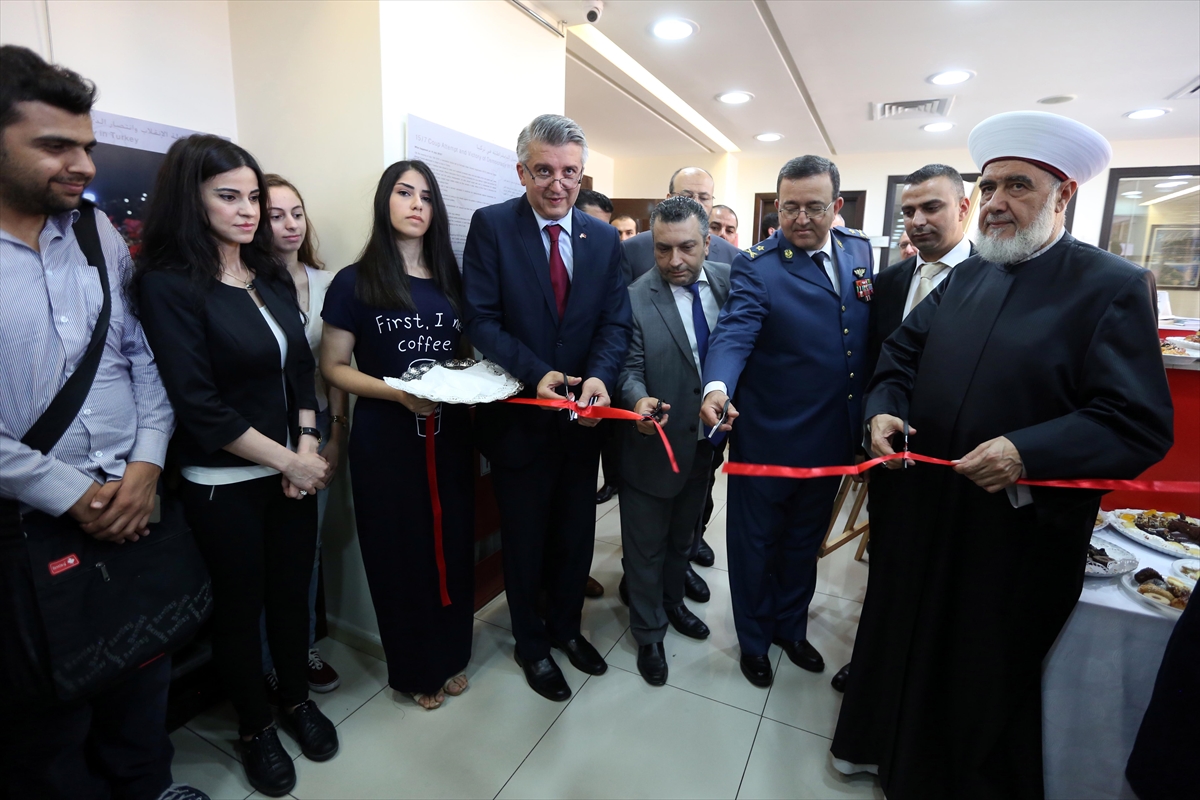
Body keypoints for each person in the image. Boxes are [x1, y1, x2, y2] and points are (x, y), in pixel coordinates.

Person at [830, 111, 1173, 799]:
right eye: (988, 187)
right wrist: (882, 408)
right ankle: (877, 751)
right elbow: (900, 353)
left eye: (1017, 186)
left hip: (1013, 533)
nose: (994, 202)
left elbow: (1136, 422)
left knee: (975, 667)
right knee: (902, 633)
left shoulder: (1111, 285)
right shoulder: (970, 274)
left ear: (1063, 194)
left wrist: (1026, 450)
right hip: (926, 509)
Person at [0, 44, 207, 800]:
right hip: (26, 528)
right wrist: (71, 493)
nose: (82, 165)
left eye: (86, 146)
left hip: (135, 499)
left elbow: (142, 356)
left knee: (141, 680)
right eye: (55, 146)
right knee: (48, 724)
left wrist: (146, 466)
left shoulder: (94, 233)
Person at [136, 135, 337, 797]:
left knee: (292, 598)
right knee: (240, 609)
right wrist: (290, 462)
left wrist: (305, 447)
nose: (249, 211)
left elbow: (301, 369)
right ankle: (255, 726)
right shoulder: (168, 284)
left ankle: (296, 699)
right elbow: (199, 406)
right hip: (224, 482)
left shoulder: (268, 273)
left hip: (290, 470)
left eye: (253, 196)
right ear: (190, 200)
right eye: (229, 196)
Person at [462, 114, 631, 701]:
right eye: (543, 171)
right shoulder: (492, 226)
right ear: (521, 172)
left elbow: (614, 323)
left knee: (575, 535)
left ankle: (566, 628)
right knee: (526, 539)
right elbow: (480, 319)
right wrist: (537, 374)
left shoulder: (602, 239)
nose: (557, 184)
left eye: (569, 172)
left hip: (583, 422)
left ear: (582, 174)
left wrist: (601, 377)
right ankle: (531, 645)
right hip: (519, 421)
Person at [700, 155, 874, 689]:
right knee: (756, 545)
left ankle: (790, 627)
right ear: (777, 206)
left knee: (803, 542)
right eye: (789, 207)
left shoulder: (859, 251)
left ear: (836, 207)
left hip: (832, 436)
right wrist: (717, 386)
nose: (799, 219)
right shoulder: (759, 264)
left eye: (813, 207)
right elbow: (735, 332)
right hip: (770, 436)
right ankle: (754, 640)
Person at [320, 160, 475, 711]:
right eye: (405, 193)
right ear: (385, 201)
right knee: (398, 552)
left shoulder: (452, 279)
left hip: (450, 434)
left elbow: (464, 356)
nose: (416, 205)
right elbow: (333, 366)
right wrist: (398, 394)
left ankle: (452, 655)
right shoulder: (354, 281)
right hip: (385, 437)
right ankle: (415, 670)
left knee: (451, 545)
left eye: (426, 197)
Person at [832, 163, 975, 694]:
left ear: (964, 208)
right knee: (889, 563)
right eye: (908, 211)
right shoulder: (888, 283)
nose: (917, 221)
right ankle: (876, 661)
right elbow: (874, 365)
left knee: (949, 577)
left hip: (961, 462)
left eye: (931, 207)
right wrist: (870, 425)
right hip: (891, 456)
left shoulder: (995, 279)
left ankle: (932, 679)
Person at [616, 196, 730, 685]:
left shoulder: (729, 283)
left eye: (686, 247)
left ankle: (672, 603)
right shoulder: (635, 297)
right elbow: (628, 368)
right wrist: (637, 400)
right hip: (653, 443)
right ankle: (648, 633)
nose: (674, 260)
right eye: (663, 249)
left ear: (708, 243)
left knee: (684, 537)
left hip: (705, 443)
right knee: (645, 548)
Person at [261, 174, 345, 696]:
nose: (290, 225)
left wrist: (337, 433)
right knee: (262, 556)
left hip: (317, 425)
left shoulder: (329, 282)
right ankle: (265, 661)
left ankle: (302, 647)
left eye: (297, 212)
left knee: (306, 547)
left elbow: (336, 367)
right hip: (263, 432)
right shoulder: (243, 283)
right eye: (276, 215)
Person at [621, 167, 740, 283]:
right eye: (686, 197)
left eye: (704, 198)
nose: (696, 203)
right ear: (669, 199)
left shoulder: (732, 255)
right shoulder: (632, 250)